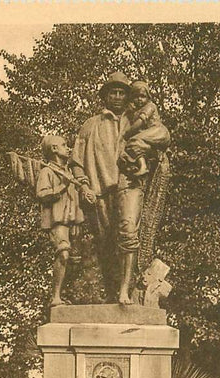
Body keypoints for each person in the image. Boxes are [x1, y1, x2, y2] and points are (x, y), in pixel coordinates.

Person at [70, 72, 144, 305]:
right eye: (113, 92)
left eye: (122, 92)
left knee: (129, 234)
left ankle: (126, 291)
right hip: (100, 191)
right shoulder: (90, 125)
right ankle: (113, 294)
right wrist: (83, 185)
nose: (118, 97)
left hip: (129, 186)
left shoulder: (137, 121)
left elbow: (158, 143)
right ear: (105, 96)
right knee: (105, 244)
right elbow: (76, 162)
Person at [35, 134, 85, 306]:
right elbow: (41, 194)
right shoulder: (47, 171)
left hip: (72, 221)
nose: (68, 148)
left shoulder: (68, 172)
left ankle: (66, 294)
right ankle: (55, 297)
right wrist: (63, 186)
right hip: (57, 221)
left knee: (74, 260)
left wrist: (78, 221)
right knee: (63, 254)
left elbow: (75, 199)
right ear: (54, 149)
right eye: (64, 145)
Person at [121, 80, 170, 177]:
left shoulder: (150, 106)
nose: (139, 99)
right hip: (150, 136)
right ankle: (143, 166)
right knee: (133, 143)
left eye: (142, 96)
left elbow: (140, 123)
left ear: (148, 97)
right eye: (136, 96)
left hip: (159, 132)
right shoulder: (135, 111)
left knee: (133, 139)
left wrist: (126, 133)